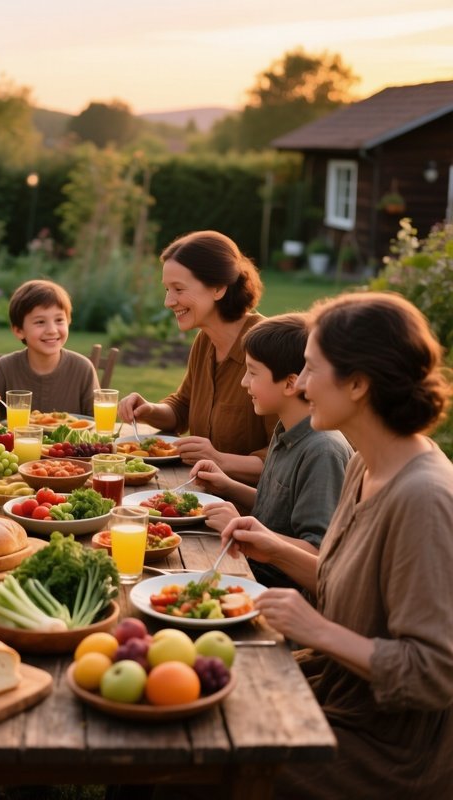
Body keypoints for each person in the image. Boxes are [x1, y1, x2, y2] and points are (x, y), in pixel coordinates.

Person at [222, 292, 453, 798]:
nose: (300, 385)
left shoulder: (424, 497)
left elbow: (433, 673)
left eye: (309, 369)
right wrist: (277, 549)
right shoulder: (363, 465)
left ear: (358, 383)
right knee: (190, 697)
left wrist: (316, 630)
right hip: (335, 689)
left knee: (210, 754)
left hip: (387, 745)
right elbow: (345, 579)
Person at [189, 313, 353, 587]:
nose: (243, 382)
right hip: (250, 570)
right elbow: (278, 510)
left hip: (277, 592)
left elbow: (319, 553)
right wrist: (228, 486)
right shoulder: (285, 431)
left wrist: (244, 527)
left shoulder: (322, 451)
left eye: (252, 372)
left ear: (290, 383)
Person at [118, 231, 276, 485]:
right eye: (167, 289)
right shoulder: (205, 342)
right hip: (199, 496)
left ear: (218, 288)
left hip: (253, 513)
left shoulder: (269, 349)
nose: (168, 301)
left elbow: (290, 457)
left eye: (179, 289)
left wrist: (219, 459)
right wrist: (148, 410)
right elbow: (183, 407)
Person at [0, 279, 99, 415]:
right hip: (15, 436)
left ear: (69, 322)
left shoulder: (83, 368)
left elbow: (97, 424)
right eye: (40, 322)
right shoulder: (5, 367)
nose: (52, 330)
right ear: (19, 331)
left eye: (59, 320)